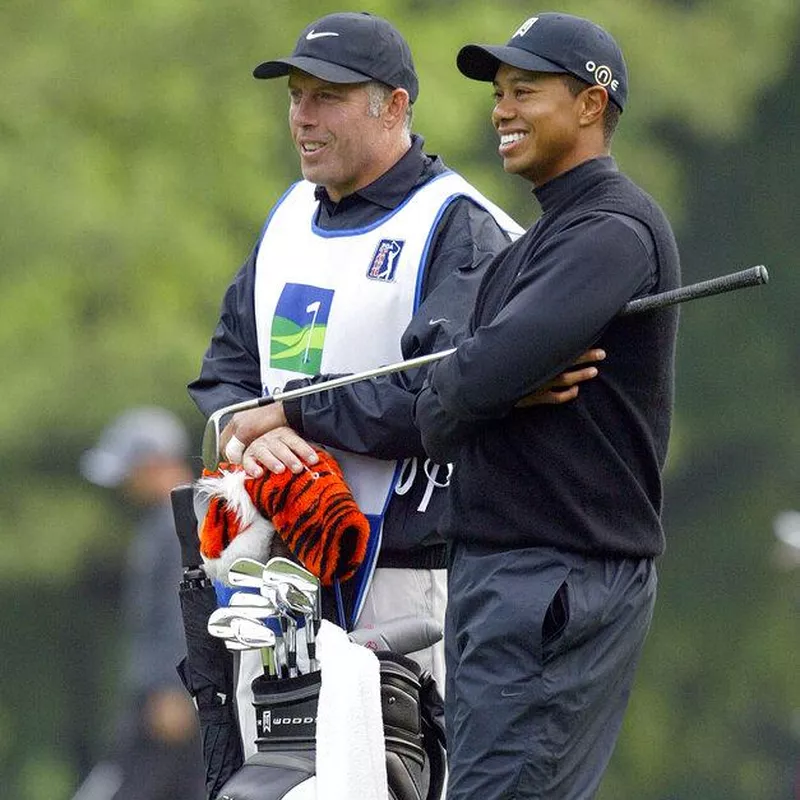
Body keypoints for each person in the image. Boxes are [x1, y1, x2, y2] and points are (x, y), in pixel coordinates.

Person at [187, 10, 602, 759]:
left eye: (326, 97)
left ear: (396, 107)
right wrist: (263, 424)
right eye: (296, 97)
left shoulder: (457, 225)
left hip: (409, 575)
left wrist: (296, 414)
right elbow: (224, 372)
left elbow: (446, 396)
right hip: (277, 575)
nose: (302, 118)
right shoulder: (286, 218)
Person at [413, 12, 681, 800]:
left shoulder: (613, 231)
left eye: (524, 90)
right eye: (499, 92)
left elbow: (460, 387)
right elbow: (448, 385)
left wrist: (473, 384)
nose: (500, 109)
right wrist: (472, 383)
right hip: (510, 574)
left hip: (556, 576)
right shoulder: (539, 243)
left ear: (592, 104)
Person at [77, 407, 205, 800]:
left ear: (152, 464)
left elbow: (181, 610)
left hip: (166, 698)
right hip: (159, 694)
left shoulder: (177, 524)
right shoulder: (167, 518)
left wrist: (173, 690)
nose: (124, 484)